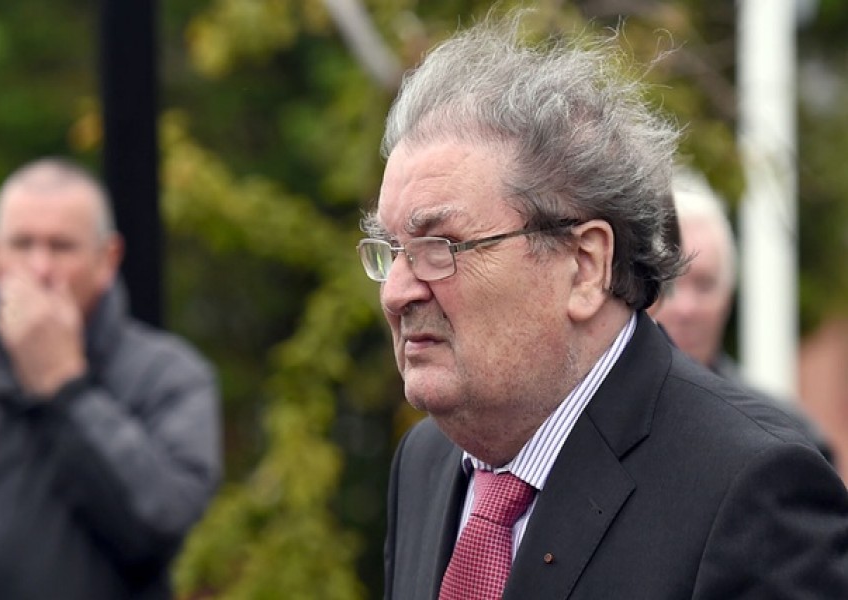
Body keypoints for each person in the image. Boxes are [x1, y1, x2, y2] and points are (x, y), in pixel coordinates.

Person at [356, 11, 848, 600]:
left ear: (585, 265)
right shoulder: (426, 464)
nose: (396, 292)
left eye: (439, 247)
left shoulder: (751, 490)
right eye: (391, 250)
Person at [0, 158, 222, 599]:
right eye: (21, 244)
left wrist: (66, 388)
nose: (40, 268)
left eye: (61, 247)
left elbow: (161, 522)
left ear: (107, 259)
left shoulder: (168, 377)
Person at [649, 168, 833, 460]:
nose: (686, 308)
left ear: (729, 295)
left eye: (705, 284)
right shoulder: (593, 418)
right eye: (670, 282)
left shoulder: (789, 438)